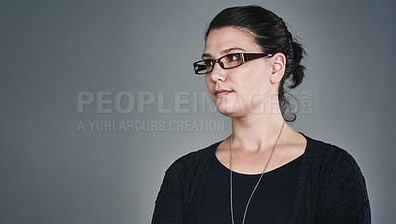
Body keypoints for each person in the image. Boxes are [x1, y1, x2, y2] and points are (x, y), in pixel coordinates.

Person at [152, 5, 370, 224]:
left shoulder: (332, 169)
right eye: (209, 63)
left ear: (275, 67)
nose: (215, 74)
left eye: (233, 58)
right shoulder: (184, 175)